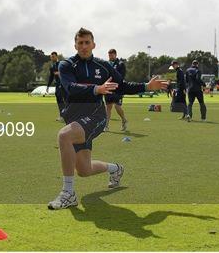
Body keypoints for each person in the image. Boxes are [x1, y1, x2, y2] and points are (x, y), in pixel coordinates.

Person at [47, 28, 167, 210]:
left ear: (94, 44)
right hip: (75, 120)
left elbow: (122, 85)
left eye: (87, 42)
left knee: (64, 136)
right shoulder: (66, 65)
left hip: (96, 117)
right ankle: (115, 169)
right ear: (75, 45)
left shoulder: (103, 67)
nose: (84, 46)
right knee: (84, 170)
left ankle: (68, 194)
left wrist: (146, 86)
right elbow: (70, 87)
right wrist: (97, 89)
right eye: (80, 43)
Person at [104, 49, 128, 131]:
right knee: (108, 107)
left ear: (115, 55)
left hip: (118, 88)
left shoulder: (120, 64)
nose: (110, 56)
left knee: (117, 106)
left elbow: (121, 77)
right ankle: (106, 126)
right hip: (108, 88)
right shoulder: (106, 64)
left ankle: (124, 119)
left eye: (111, 55)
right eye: (109, 55)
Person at [46, 52, 65, 121]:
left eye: (53, 56)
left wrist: (59, 73)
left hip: (63, 84)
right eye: (51, 57)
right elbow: (51, 77)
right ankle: (62, 116)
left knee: (62, 99)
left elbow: (66, 72)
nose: (52, 58)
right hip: (57, 84)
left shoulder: (61, 64)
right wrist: (48, 86)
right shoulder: (52, 66)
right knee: (59, 99)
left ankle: (65, 116)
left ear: (57, 57)